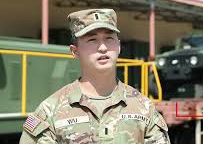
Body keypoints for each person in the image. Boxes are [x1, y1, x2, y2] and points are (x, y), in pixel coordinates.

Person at [19, 9, 170, 144]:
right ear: (75, 51)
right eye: (92, 40)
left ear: (118, 46)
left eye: (109, 38)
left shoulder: (144, 108)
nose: (103, 47)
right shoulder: (50, 111)